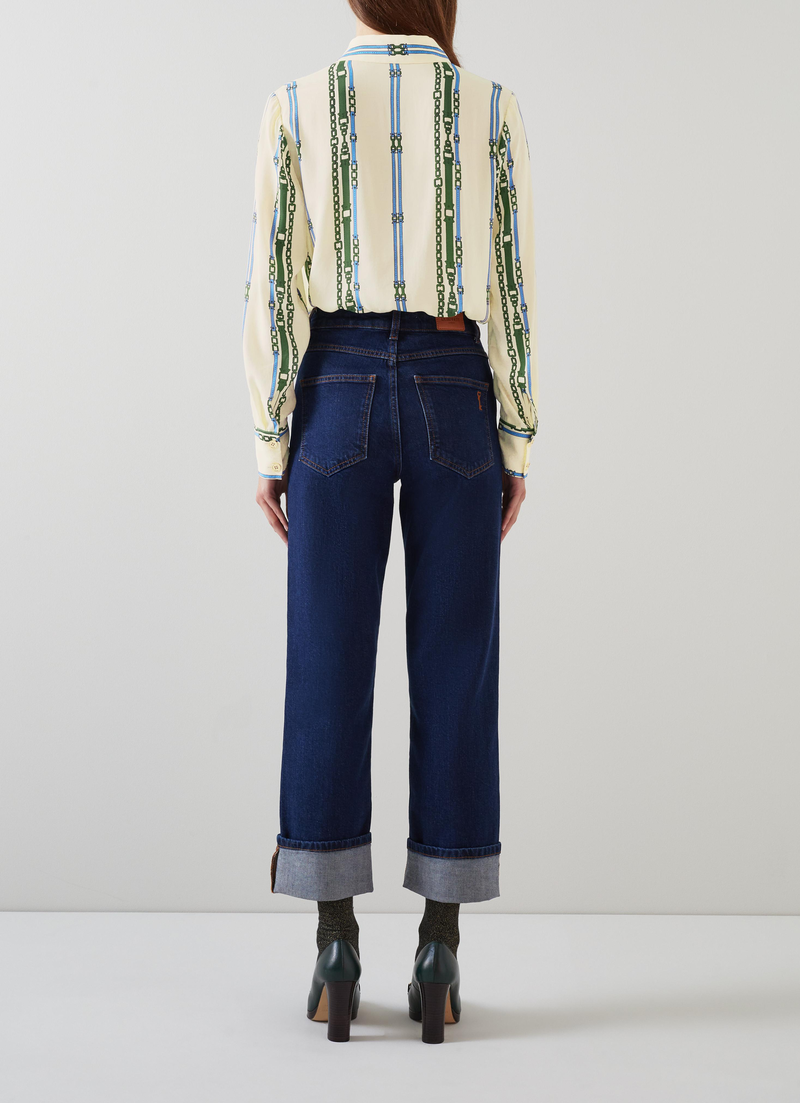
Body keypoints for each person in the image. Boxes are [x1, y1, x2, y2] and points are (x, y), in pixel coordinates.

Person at [241, 0, 538, 1044]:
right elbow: (511, 285)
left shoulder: (297, 103)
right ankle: (439, 950)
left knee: (325, 657)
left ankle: (334, 946)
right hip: (455, 378)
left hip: (337, 384)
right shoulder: (489, 105)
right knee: (456, 662)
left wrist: (271, 439)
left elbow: (274, 284)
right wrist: (515, 437)